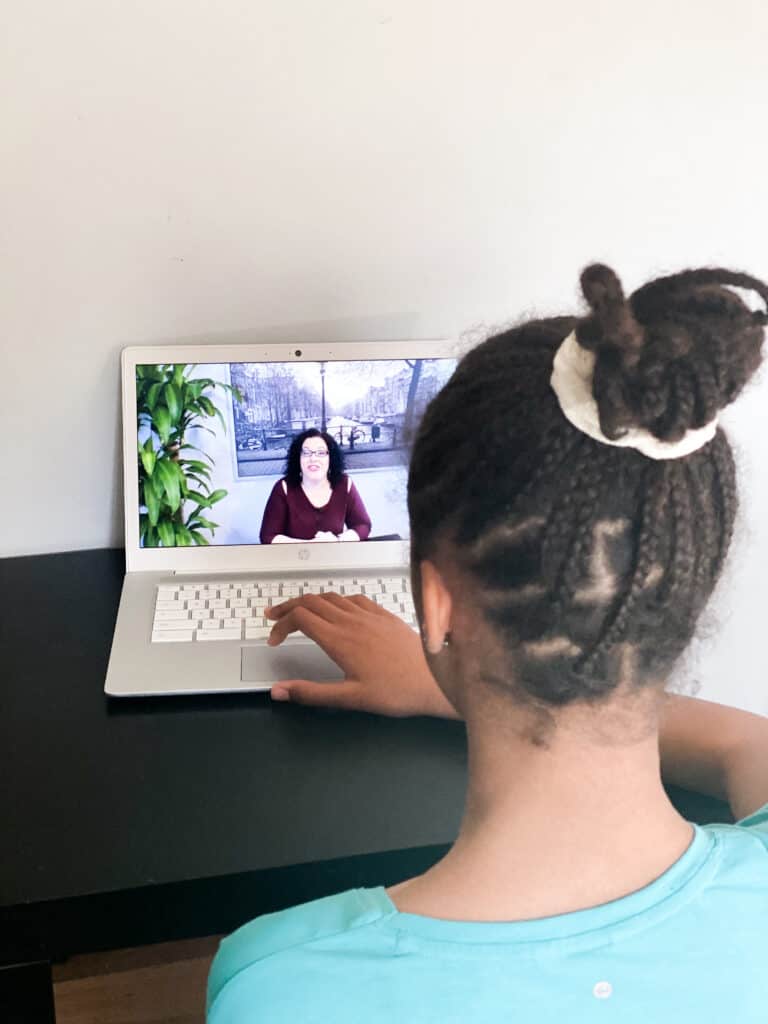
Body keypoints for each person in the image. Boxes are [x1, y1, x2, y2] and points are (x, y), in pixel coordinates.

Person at [210, 265, 768, 1021]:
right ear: (684, 597)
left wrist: (454, 675)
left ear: (436, 603)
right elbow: (750, 742)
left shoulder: (281, 985)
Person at [259, 428, 372, 543]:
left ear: (331, 458)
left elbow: (363, 525)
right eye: (306, 453)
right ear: (298, 458)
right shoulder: (283, 488)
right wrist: (309, 545)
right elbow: (268, 536)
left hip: (333, 557)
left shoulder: (344, 484)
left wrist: (338, 540)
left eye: (321, 453)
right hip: (295, 557)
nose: (313, 458)